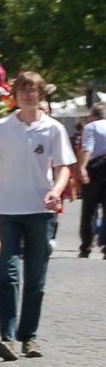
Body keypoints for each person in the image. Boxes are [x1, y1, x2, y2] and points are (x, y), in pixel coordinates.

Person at [0, 72, 72, 361]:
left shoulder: (53, 129)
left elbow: (63, 167)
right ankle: (7, 337)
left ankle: (29, 337)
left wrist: (57, 191)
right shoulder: (0, 127)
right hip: (6, 210)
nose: (27, 95)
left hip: (40, 211)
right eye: (22, 90)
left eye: (32, 90)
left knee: (36, 278)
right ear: (15, 94)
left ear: (40, 94)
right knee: (7, 275)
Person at [77, 104, 106, 258]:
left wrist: (82, 167)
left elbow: (88, 147)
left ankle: (86, 246)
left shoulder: (91, 127)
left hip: (96, 168)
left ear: (92, 115)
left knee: (89, 209)